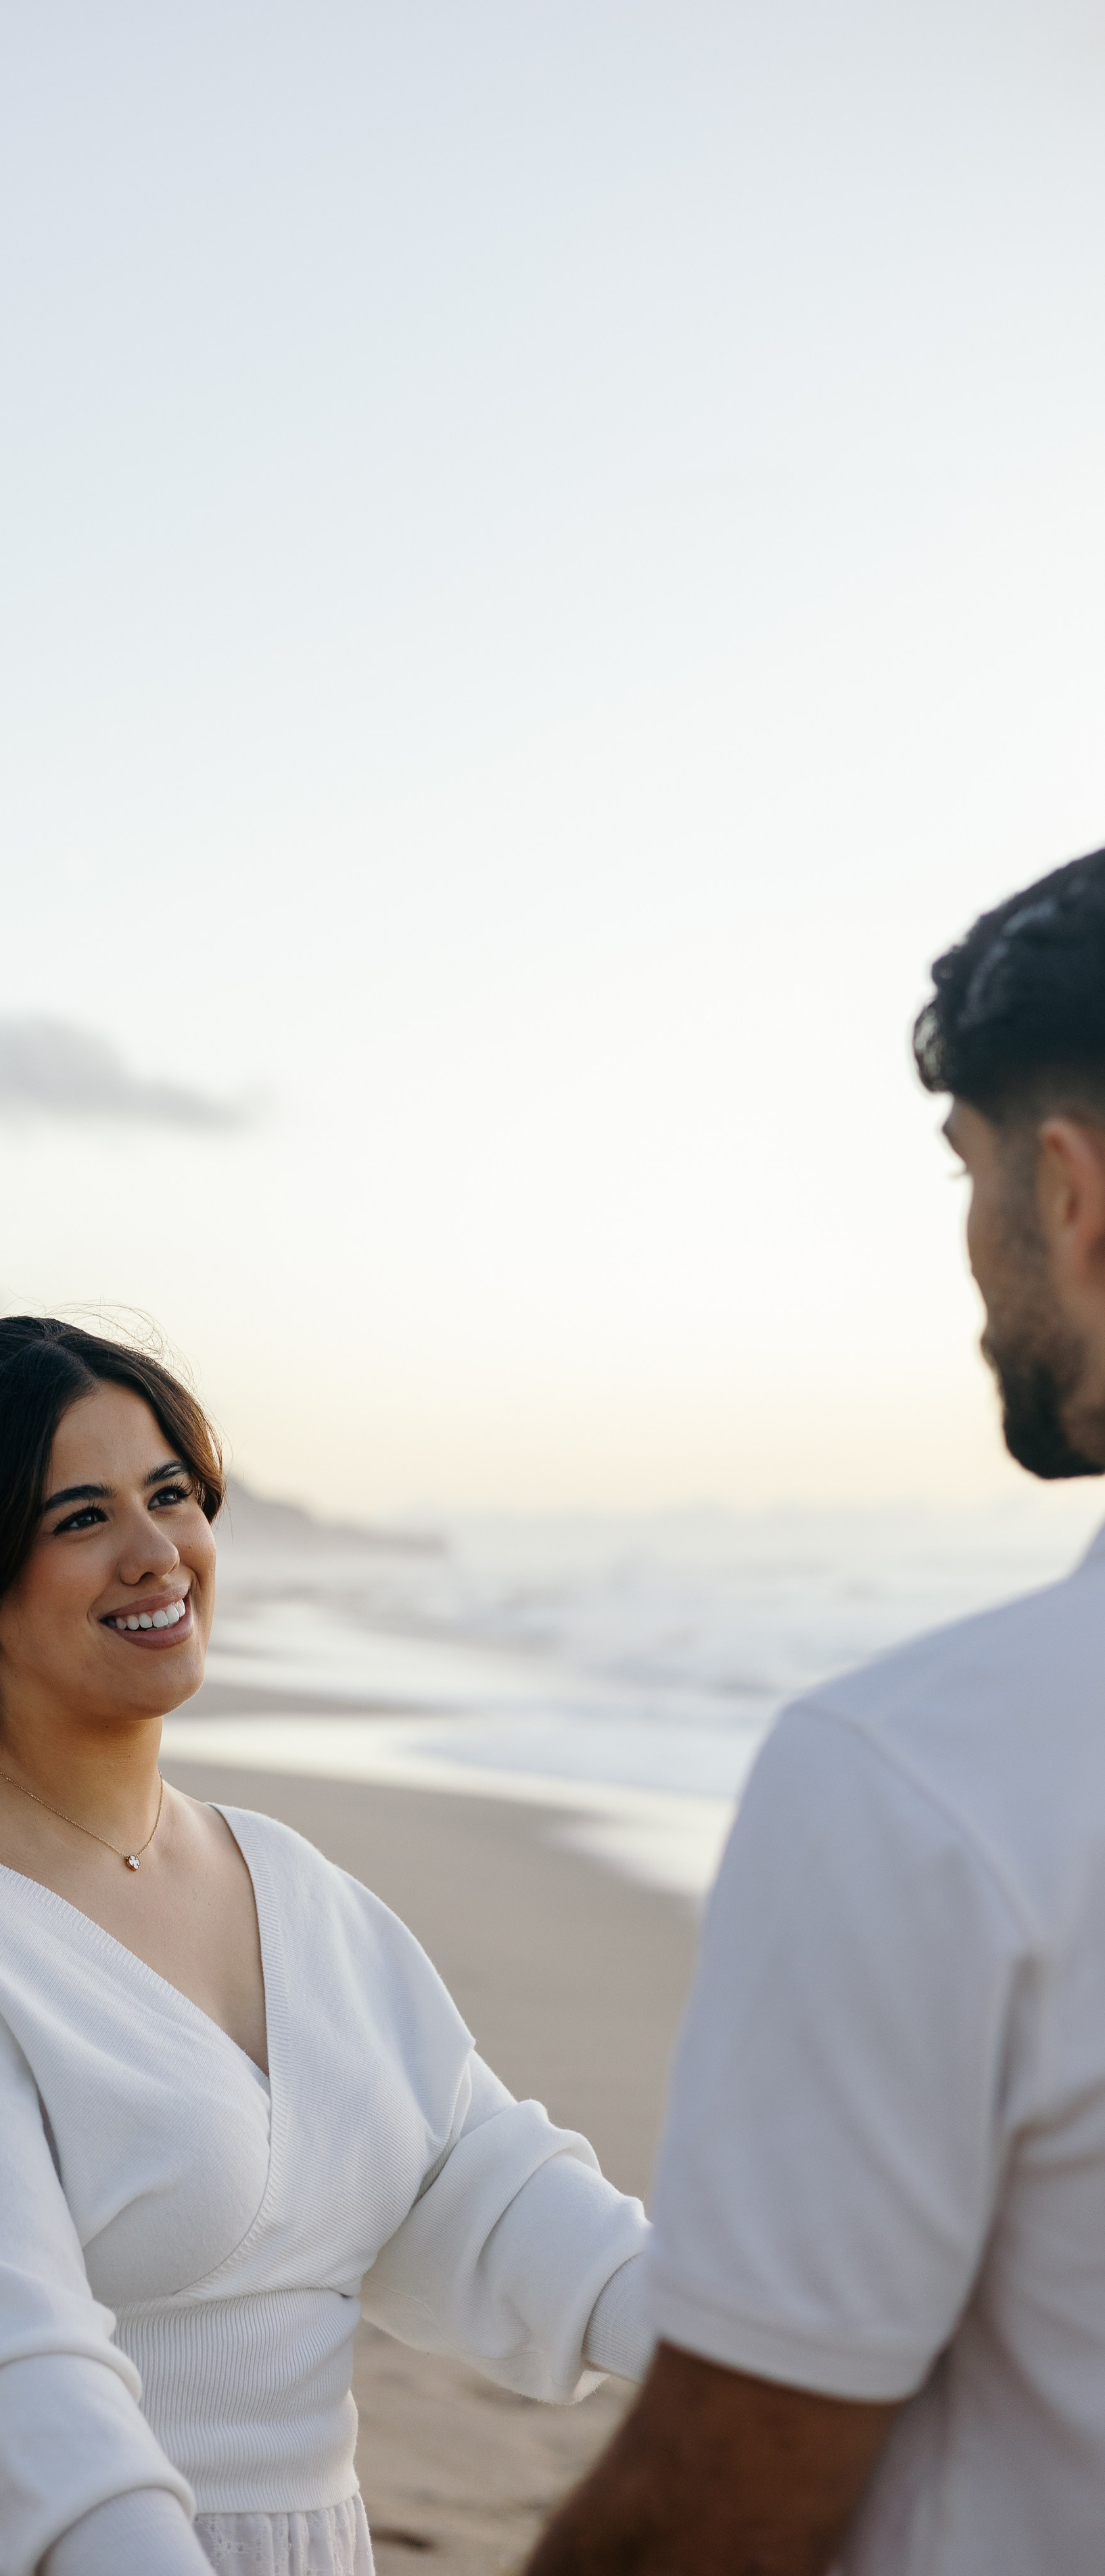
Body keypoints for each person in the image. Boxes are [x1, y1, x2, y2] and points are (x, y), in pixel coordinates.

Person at [0, 1316, 652, 2576]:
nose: (155, 1554)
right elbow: (2, 2363)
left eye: (171, 1495)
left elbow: (482, 2189)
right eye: (79, 1518)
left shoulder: (286, 1877)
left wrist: (762, 2344)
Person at [525, 845, 1105, 2575]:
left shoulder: (922, 1788)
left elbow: (716, 2512)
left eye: (970, 1173)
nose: (973, 1250)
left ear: (1070, 1197)